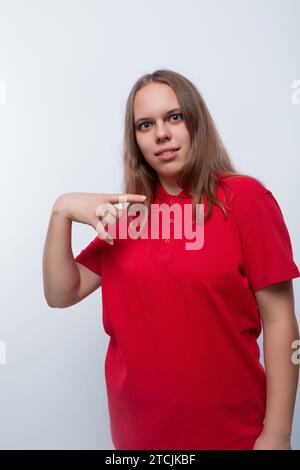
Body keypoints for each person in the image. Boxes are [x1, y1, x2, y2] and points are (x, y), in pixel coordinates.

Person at [42, 69, 300, 450]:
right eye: (145, 125)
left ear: (196, 122)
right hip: (137, 439)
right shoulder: (130, 215)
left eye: (173, 117)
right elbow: (61, 292)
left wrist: (277, 435)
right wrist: (61, 211)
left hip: (232, 435)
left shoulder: (246, 200)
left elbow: (280, 321)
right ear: (136, 140)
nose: (161, 133)